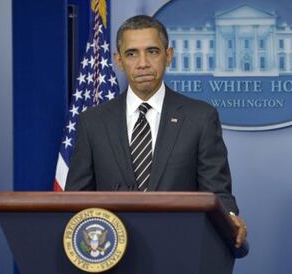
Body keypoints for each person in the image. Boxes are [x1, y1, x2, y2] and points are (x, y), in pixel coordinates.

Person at [66, 15, 247, 248]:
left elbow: (217, 191)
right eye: (132, 54)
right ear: (118, 61)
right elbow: (77, 197)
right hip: (110, 252)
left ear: (168, 56)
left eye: (152, 51)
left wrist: (229, 218)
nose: (142, 63)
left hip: (178, 249)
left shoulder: (200, 118)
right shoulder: (92, 121)